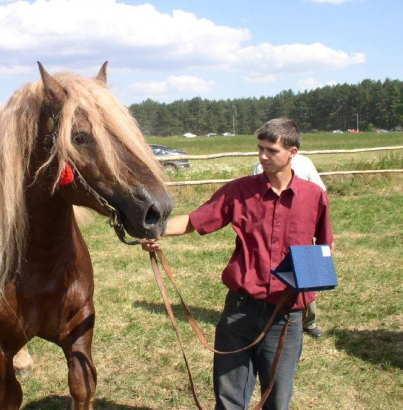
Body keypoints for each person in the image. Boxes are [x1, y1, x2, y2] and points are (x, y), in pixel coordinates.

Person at [141, 117, 333, 410]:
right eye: (260, 149)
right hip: (239, 311)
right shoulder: (239, 191)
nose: (263, 156)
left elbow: (324, 246)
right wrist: (155, 230)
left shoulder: (314, 197)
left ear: (293, 152)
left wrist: (306, 288)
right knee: (228, 398)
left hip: (286, 315)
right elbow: (194, 221)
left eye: (272, 150)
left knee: (277, 399)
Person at [252, 151, 326, 339]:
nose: (265, 155)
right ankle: (269, 319)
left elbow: (319, 192)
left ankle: (309, 322)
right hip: (274, 228)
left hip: (299, 232)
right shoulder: (260, 166)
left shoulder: (305, 163)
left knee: (305, 285)